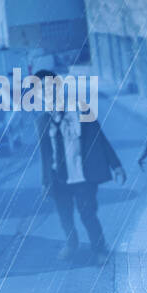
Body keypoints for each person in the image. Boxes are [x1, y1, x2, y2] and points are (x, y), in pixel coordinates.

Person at [36, 69, 125, 261]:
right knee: (64, 216)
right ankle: (71, 243)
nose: (46, 92)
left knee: (88, 214)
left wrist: (116, 165)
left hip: (82, 175)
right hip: (58, 178)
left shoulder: (81, 110)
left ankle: (99, 249)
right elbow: (45, 155)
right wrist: (45, 181)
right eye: (42, 89)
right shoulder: (43, 121)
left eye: (50, 87)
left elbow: (100, 138)